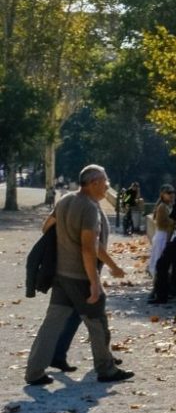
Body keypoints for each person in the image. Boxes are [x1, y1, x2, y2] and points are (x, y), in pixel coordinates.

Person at [25, 164, 133, 387]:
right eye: (105, 182)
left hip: (61, 275)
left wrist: (67, 242)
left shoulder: (65, 200)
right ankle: (106, 369)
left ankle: (34, 372)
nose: (108, 185)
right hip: (80, 277)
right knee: (96, 322)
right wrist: (94, 283)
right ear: (94, 183)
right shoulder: (89, 209)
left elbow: (47, 227)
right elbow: (88, 248)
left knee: (51, 324)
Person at [147, 185, 175, 280]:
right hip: (162, 236)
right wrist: (174, 221)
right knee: (159, 261)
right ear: (163, 194)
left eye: (173, 192)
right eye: (169, 193)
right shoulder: (162, 207)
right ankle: (157, 286)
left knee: (159, 261)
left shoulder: (168, 206)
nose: (172, 195)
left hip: (162, 235)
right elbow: (162, 223)